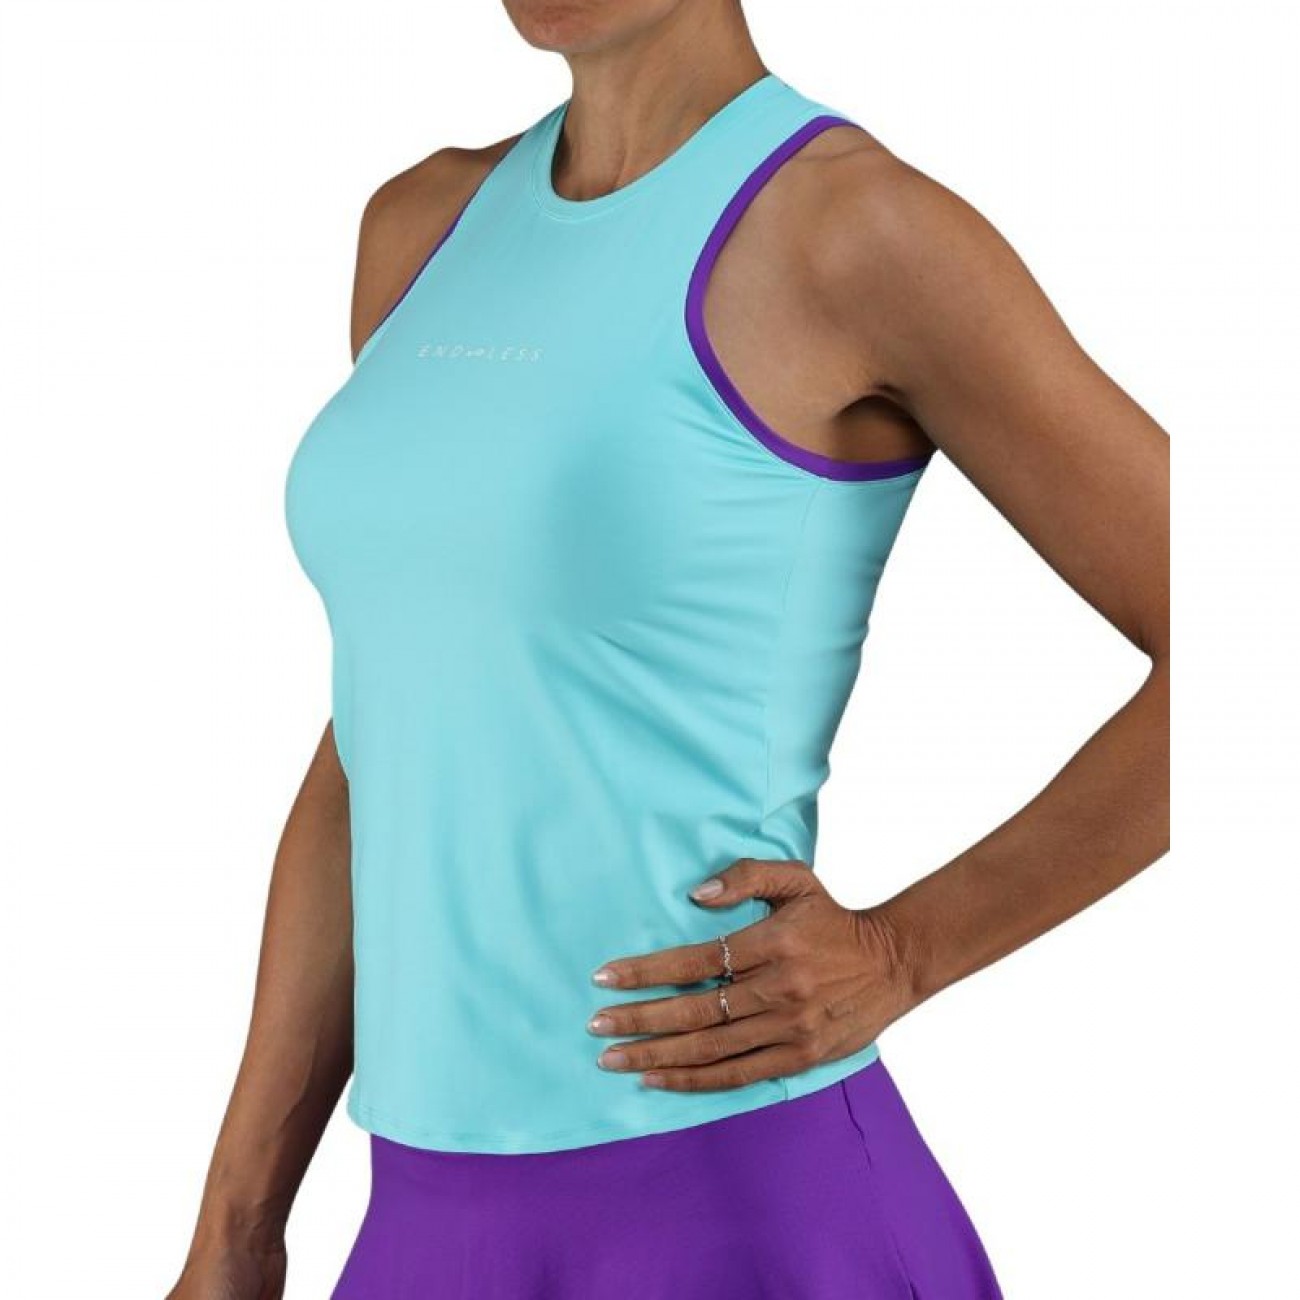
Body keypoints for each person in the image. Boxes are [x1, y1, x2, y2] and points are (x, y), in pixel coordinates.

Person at [165, 2, 1170, 1297]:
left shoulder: (855, 231)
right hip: (426, 1219)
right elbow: (378, 743)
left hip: (735, 1200)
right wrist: (237, 1228)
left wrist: (905, 952)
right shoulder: (420, 229)